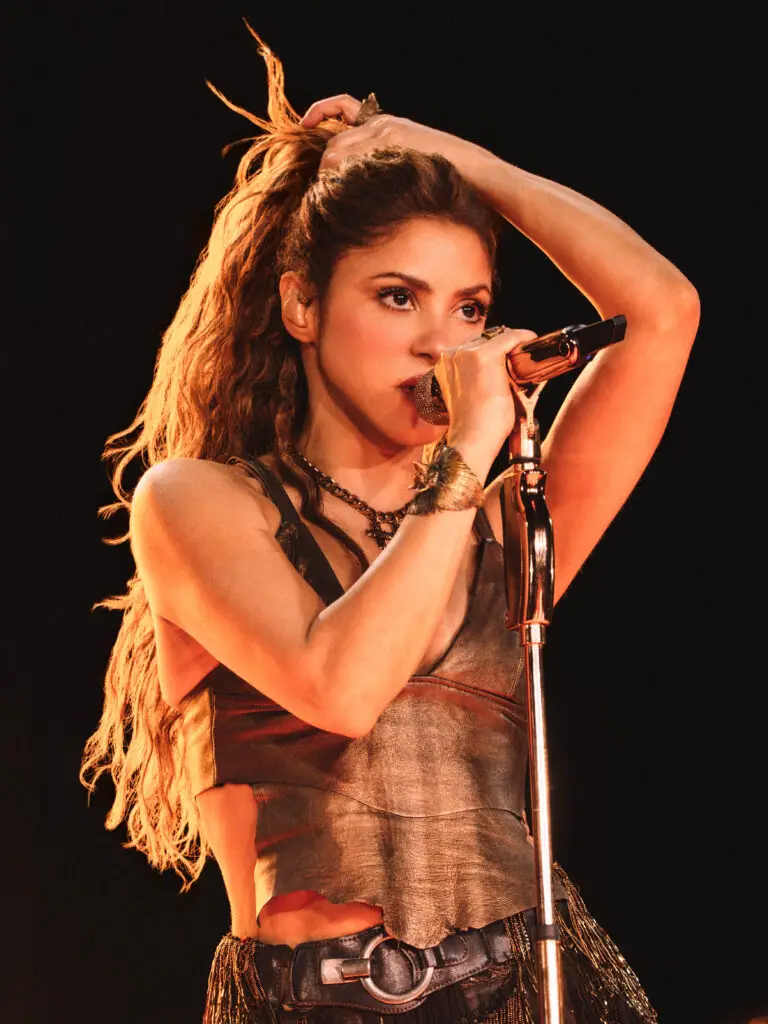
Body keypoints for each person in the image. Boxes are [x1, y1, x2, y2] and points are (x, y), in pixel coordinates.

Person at [81, 29, 699, 1024]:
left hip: (526, 986)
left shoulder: (501, 530)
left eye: (471, 309)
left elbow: (661, 310)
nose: (438, 343)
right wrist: (469, 454)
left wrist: (463, 160)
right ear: (302, 305)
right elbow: (343, 686)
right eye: (398, 297)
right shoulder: (198, 501)